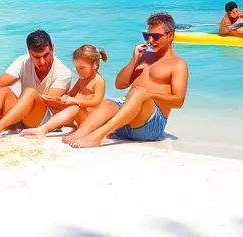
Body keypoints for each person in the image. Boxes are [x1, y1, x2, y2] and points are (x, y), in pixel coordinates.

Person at [63, 12, 188, 148]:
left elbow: (178, 101)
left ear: (170, 36)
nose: (150, 41)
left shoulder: (177, 64)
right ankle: (80, 133)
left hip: (150, 127)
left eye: (156, 37)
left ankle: (97, 136)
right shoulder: (144, 58)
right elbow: (120, 84)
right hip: (123, 125)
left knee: (138, 93)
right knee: (108, 103)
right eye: (147, 36)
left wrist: (148, 94)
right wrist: (134, 60)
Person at [0, 29, 72, 137]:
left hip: (44, 120)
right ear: (30, 53)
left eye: (46, 55)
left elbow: (48, 101)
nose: (42, 62)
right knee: (2, 90)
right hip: (21, 115)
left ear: (53, 48)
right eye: (36, 57)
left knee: (30, 92)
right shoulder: (22, 61)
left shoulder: (64, 73)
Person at [20, 44, 109, 138]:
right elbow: (71, 94)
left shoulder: (98, 81)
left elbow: (96, 101)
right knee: (58, 105)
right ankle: (47, 124)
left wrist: (76, 101)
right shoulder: (82, 79)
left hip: (89, 121)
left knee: (75, 108)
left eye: (82, 68)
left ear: (94, 65)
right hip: (78, 118)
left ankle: (43, 129)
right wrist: (60, 99)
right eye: (77, 68)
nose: (79, 71)